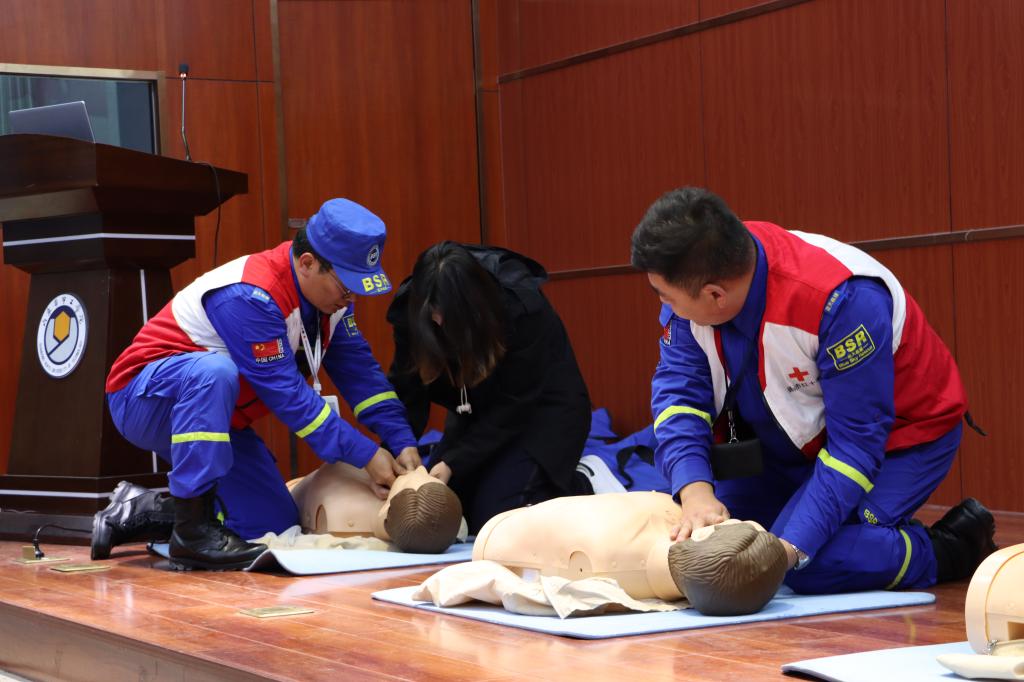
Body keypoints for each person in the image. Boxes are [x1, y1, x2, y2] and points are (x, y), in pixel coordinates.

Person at [630, 186, 996, 594]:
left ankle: (947, 549)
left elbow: (856, 446)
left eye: (667, 298)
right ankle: (861, 539)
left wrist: (787, 552)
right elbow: (679, 398)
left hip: (897, 440)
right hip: (790, 445)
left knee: (804, 564)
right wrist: (695, 492)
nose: (666, 307)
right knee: (711, 542)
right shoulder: (701, 273)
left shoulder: (841, 300)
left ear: (715, 295)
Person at [94, 198, 422, 570]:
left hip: (218, 418)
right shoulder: (251, 295)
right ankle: (192, 533)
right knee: (214, 372)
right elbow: (288, 397)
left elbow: (361, 373)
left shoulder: (333, 303)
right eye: (345, 285)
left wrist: (401, 440)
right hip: (144, 398)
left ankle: (143, 510)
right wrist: (365, 455)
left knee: (272, 525)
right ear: (307, 263)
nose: (351, 297)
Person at [386, 241, 592, 534]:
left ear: (473, 307)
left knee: (496, 521)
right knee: (447, 510)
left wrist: (453, 462)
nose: (438, 321)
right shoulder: (412, 310)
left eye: (447, 313)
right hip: (476, 412)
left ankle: (581, 484)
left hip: (541, 411)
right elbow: (407, 390)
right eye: (431, 312)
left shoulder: (520, 308)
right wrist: (399, 447)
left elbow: (515, 405)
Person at [470, 492, 788, 616]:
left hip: (496, 534)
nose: (727, 520)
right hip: (506, 529)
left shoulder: (612, 558)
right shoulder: (681, 523)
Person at [288, 462, 464, 553]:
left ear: (387, 509)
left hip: (295, 490)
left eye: (417, 475)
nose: (421, 468)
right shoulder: (454, 526)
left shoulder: (341, 514)